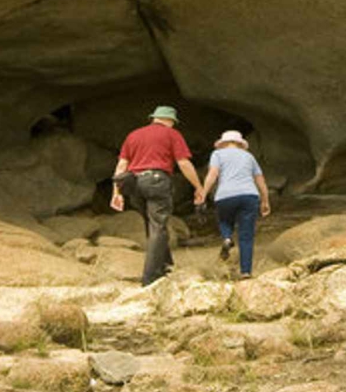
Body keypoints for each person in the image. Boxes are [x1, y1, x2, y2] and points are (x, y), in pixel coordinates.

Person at [110, 105, 205, 286]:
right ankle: (151, 278)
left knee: (151, 224)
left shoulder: (133, 135)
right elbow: (183, 163)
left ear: (154, 118)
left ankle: (165, 265)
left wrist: (116, 192)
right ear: (170, 121)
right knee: (158, 227)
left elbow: (121, 166)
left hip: (134, 184)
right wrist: (198, 186)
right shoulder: (171, 134)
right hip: (156, 181)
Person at [199, 129, 270, 278]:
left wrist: (203, 194)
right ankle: (245, 272)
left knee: (224, 220)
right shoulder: (249, 156)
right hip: (249, 195)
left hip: (225, 195)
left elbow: (212, 175)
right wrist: (265, 200)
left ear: (223, 143)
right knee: (246, 236)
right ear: (240, 143)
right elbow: (260, 179)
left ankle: (226, 237)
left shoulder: (217, 154)